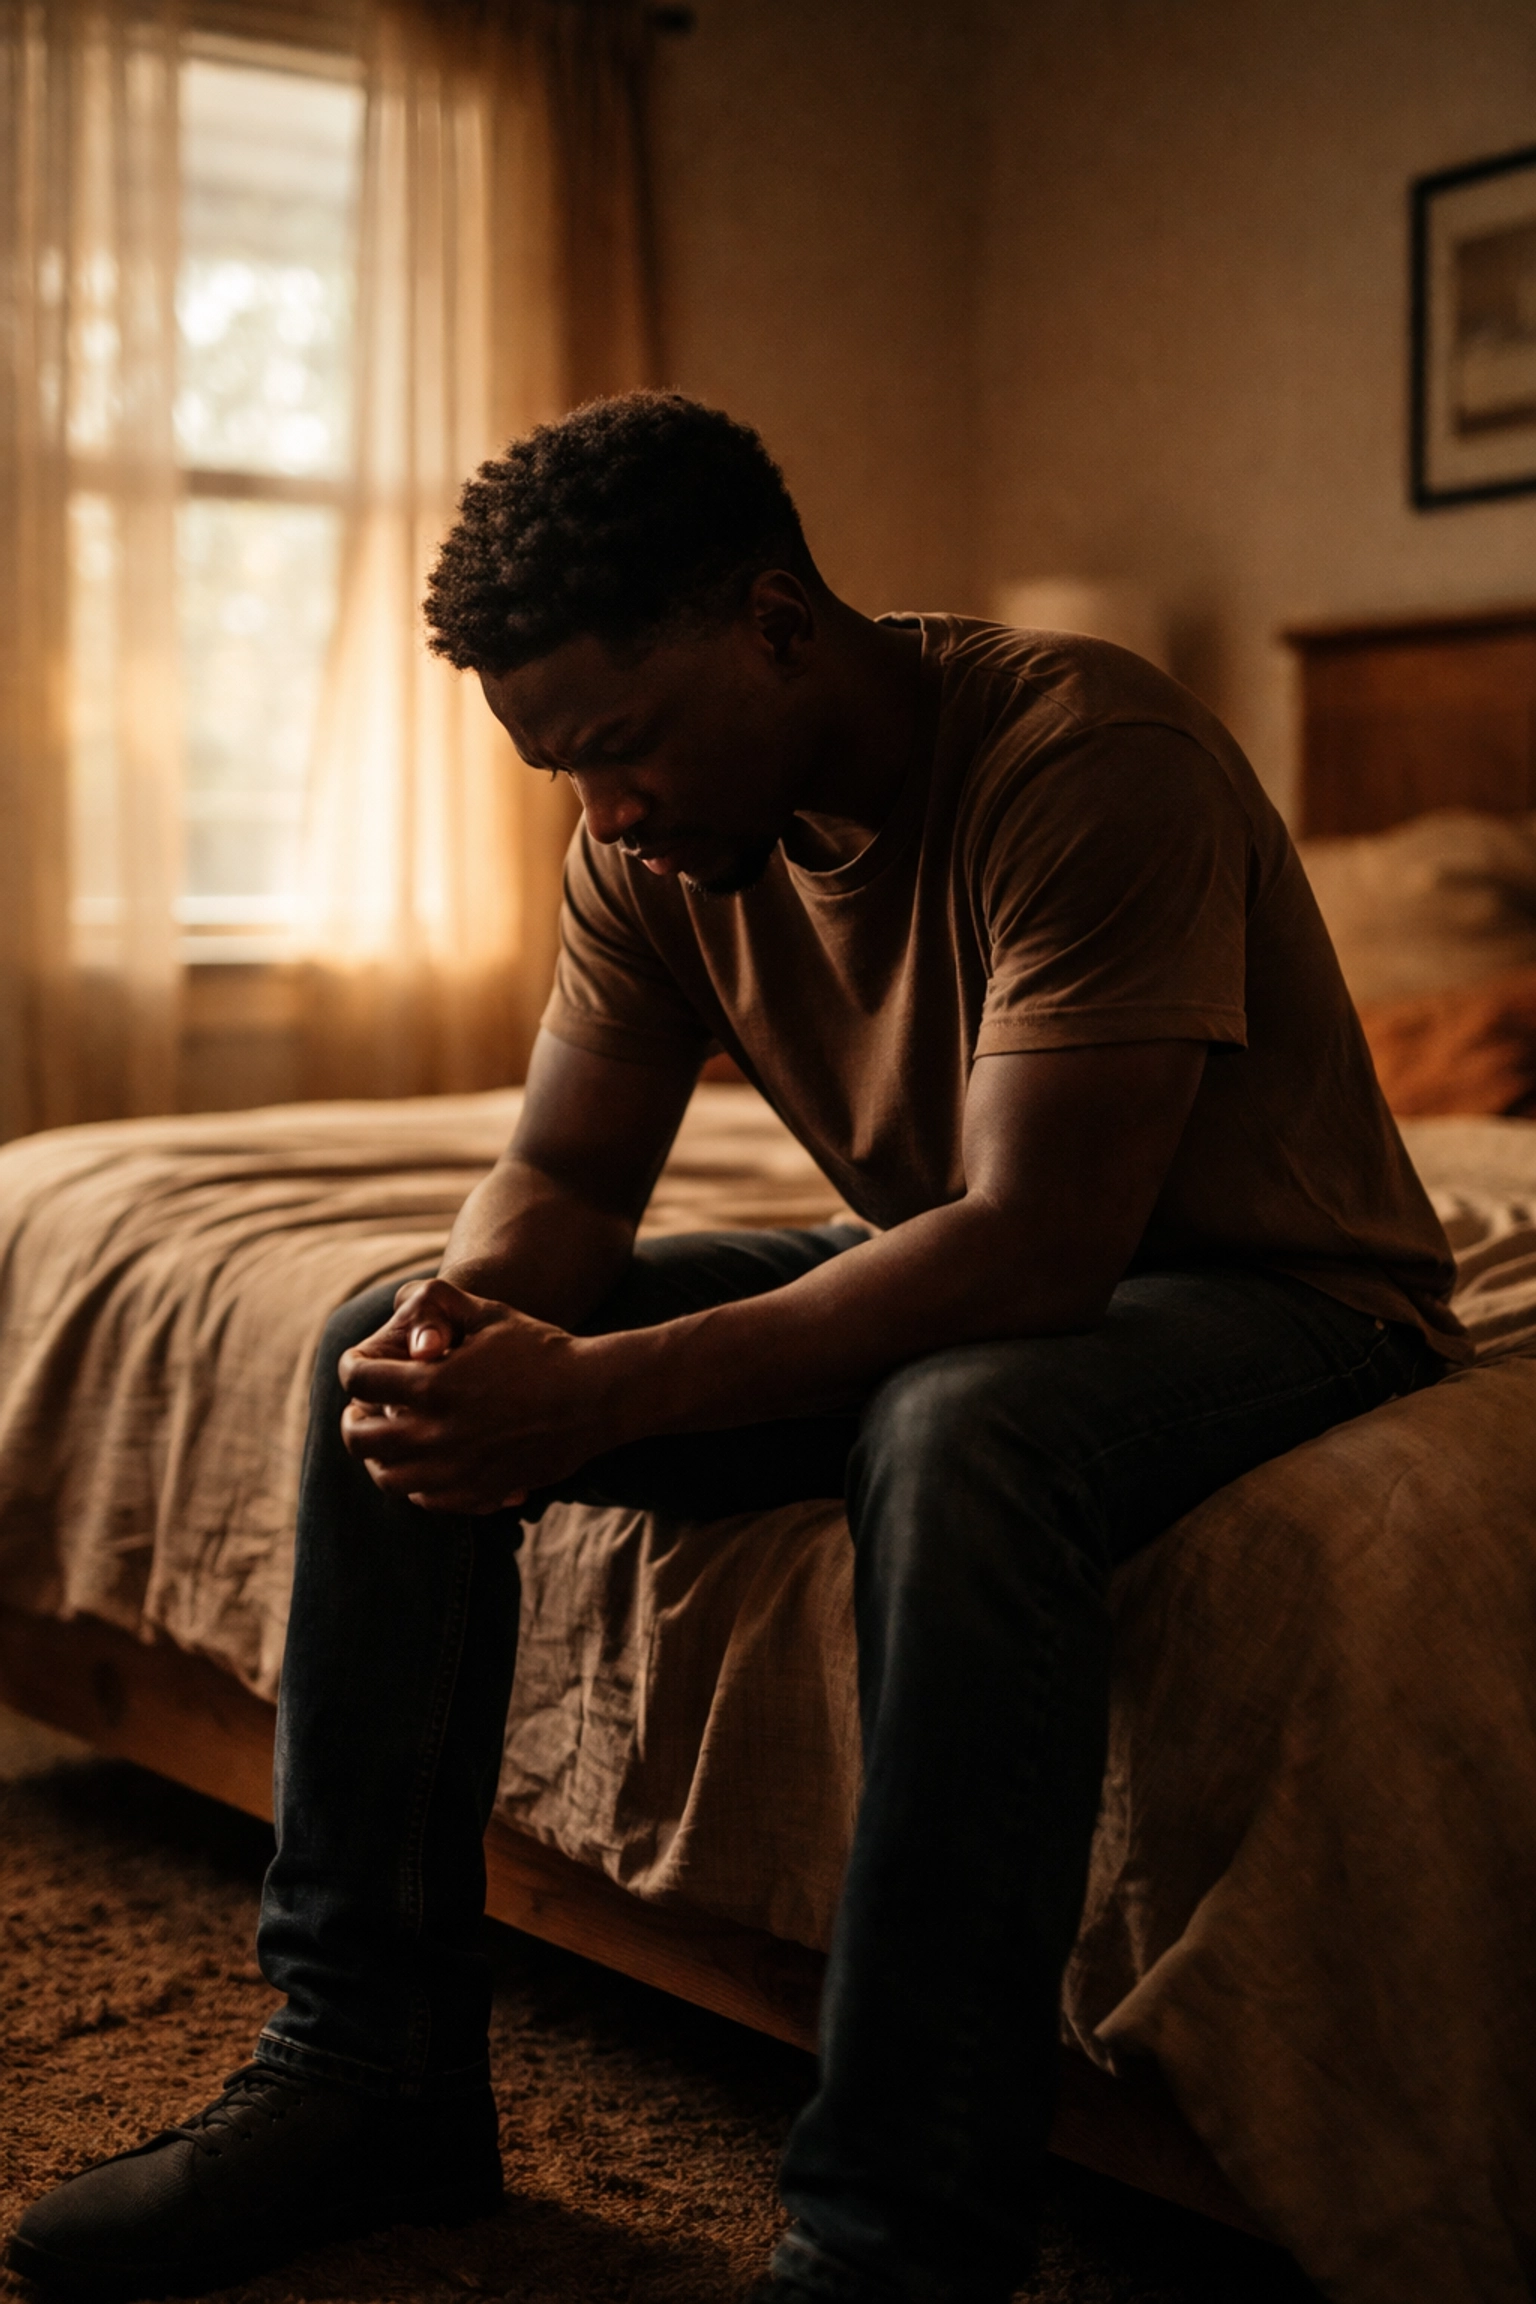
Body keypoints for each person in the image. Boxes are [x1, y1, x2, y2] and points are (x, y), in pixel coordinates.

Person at [9, 393, 1464, 2304]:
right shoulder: (650, 845)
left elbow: (1040, 1243)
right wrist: (472, 1335)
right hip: (959, 1253)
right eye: (563, 770)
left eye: (622, 747)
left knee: (963, 1428)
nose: (606, 812)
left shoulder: (1091, 757)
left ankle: (895, 2241)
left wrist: (596, 1394)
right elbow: (560, 1173)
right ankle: (369, 2067)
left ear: (777, 623)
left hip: (1277, 1292)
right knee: (385, 1341)